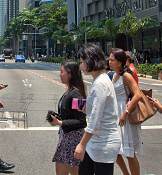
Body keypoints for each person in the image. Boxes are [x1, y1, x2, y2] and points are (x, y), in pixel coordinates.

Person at [74, 44, 121, 175]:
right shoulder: (100, 79)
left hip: (103, 142)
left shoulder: (100, 83)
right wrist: (86, 109)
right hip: (95, 141)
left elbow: (95, 119)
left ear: (90, 61)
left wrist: (82, 144)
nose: (81, 66)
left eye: (82, 62)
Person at [48, 60, 87, 175]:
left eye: (62, 72)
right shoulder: (70, 91)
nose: (59, 75)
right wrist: (57, 117)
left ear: (70, 74)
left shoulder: (75, 94)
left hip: (72, 139)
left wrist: (60, 123)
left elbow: (81, 121)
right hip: (67, 137)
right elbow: (72, 114)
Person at [109, 49, 142, 175]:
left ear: (119, 62)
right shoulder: (114, 75)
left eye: (112, 60)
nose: (109, 62)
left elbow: (137, 94)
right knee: (115, 149)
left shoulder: (126, 75)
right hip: (115, 114)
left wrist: (125, 112)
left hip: (124, 114)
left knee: (129, 153)